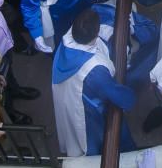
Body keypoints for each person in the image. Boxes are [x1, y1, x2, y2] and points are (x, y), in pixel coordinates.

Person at [52, 8, 136, 156]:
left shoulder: (68, 38)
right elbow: (114, 92)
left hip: (69, 94)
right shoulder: (94, 70)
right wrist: (130, 98)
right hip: (90, 110)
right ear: (96, 33)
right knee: (101, 136)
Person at [92, 0, 158, 89]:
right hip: (116, 62)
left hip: (121, 23)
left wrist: (132, 29)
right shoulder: (104, 57)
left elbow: (151, 30)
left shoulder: (108, 13)